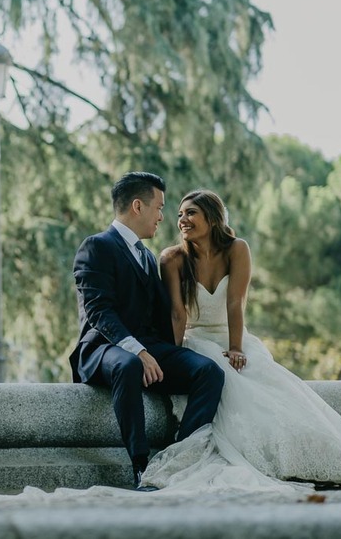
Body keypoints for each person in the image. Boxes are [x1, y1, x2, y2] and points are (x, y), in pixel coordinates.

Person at [140, 188, 341, 490]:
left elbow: (235, 303)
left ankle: (307, 459)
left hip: (233, 337)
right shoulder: (172, 258)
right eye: (179, 214)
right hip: (197, 340)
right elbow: (178, 313)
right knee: (225, 381)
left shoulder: (237, 249)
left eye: (191, 213)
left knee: (273, 390)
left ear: (213, 218)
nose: (182, 220)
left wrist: (237, 347)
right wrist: (173, 357)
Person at [70, 172, 225, 491]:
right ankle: (141, 465)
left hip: (149, 347)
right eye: (159, 207)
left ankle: (179, 459)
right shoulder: (96, 246)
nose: (162, 217)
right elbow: (99, 312)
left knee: (208, 371)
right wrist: (138, 352)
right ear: (137, 206)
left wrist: (174, 354)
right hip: (103, 348)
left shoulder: (146, 255)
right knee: (128, 365)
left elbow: (162, 314)